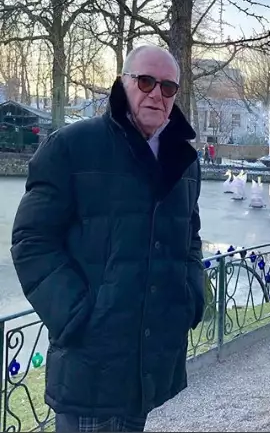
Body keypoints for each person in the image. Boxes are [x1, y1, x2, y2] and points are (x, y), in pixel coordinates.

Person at [11, 45, 205, 432]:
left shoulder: (183, 161)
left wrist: (190, 298)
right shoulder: (72, 146)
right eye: (146, 82)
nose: (157, 94)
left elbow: (191, 238)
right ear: (123, 83)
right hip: (90, 362)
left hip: (148, 362)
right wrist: (76, 315)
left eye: (168, 87)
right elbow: (32, 240)